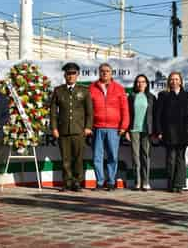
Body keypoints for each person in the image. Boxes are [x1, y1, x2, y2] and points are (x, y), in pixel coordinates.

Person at [50, 62, 92, 192]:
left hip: (79, 130)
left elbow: (89, 111)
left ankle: (77, 182)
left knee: (78, 158)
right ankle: (67, 182)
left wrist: (88, 127)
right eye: (68, 74)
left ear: (77, 75)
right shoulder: (58, 90)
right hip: (63, 130)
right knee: (65, 159)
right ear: (64, 75)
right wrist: (54, 128)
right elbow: (52, 111)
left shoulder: (84, 90)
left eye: (73, 74)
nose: (71, 76)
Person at [89, 63, 129, 191]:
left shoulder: (119, 88)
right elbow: (88, 110)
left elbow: (125, 109)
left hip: (114, 128)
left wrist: (123, 126)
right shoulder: (92, 88)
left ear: (111, 73)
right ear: (99, 73)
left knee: (113, 156)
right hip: (97, 127)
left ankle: (111, 181)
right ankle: (100, 182)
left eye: (107, 71)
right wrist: (88, 126)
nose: (104, 73)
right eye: (102, 71)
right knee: (97, 156)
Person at [156, 71, 188, 193]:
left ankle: (179, 184)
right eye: (172, 79)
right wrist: (159, 131)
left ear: (181, 81)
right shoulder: (163, 95)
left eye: (176, 79)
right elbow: (158, 115)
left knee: (180, 159)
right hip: (169, 132)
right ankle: (171, 184)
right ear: (168, 82)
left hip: (183, 133)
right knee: (171, 159)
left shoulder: (187, 95)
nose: (174, 81)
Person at [126, 74, 156, 191]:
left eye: (143, 82)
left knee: (146, 156)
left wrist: (154, 131)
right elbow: (128, 114)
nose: (140, 84)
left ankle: (146, 181)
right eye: (138, 82)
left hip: (147, 131)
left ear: (147, 83)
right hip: (134, 130)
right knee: (135, 156)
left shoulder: (151, 97)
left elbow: (154, 115)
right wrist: (127, 130)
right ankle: (137, 182)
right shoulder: (131, 97)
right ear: (135, 84)